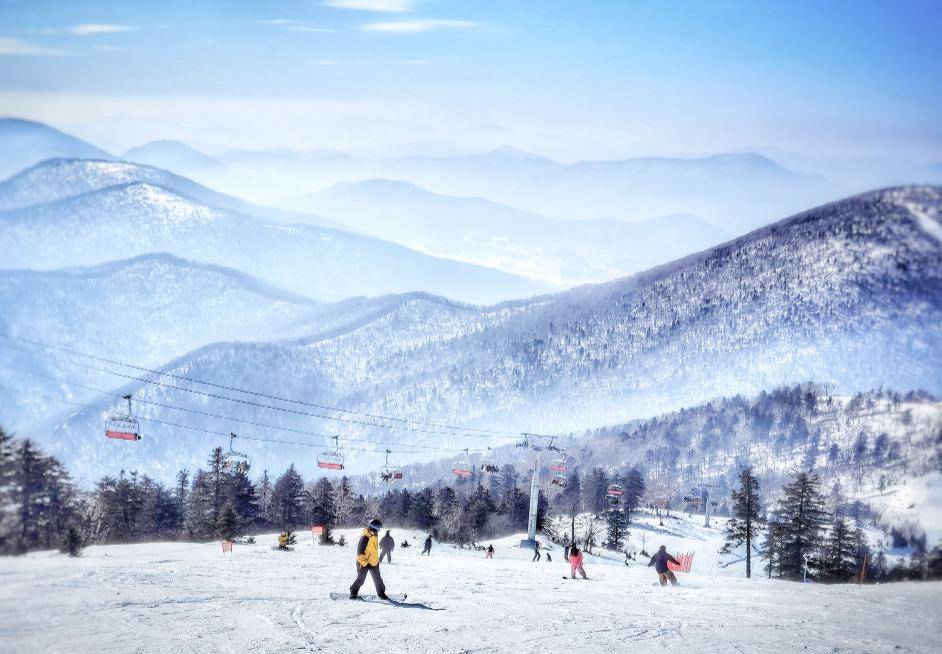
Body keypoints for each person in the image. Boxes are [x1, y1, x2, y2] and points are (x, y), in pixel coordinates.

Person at [349, 518, 388, 600]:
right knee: (361, 579)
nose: (379, 530)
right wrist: (365, 563)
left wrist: (376, 560)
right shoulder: (365, 538)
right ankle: (353, 592)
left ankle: (381, 593)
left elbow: (373, 550)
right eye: (379, 528)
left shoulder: (374, 535)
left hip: (373, 562)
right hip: (363, 562)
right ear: (374, 528)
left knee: (378, 579)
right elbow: (360, 553)